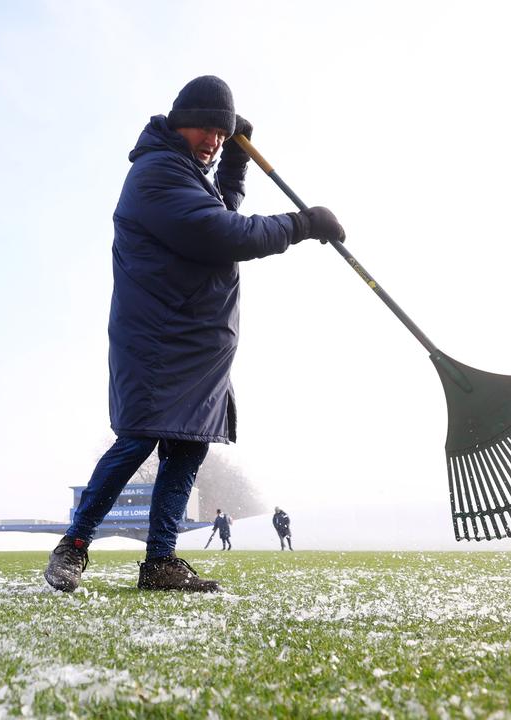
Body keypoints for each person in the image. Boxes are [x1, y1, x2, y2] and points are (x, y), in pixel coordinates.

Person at [43, 76, 344, 593]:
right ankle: (74, 544)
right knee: (138, 439)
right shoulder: (156, 174)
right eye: (204, 127)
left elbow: (219, 207)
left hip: (197, 343)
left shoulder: (187, 172)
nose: (211, 139)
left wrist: (234, 162)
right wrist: (301, 224)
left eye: (221, 134)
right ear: (178, 121)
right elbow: (221, 232)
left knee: (188, 447)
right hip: (161, 338)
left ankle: (160, 563)